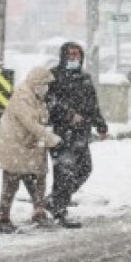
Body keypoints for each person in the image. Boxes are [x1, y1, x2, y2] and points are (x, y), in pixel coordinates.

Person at [0, 66, 62, 234]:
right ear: (36, 83)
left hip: (28, 148)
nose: (47, 88)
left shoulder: (36, 97)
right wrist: (51, 138)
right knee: (11, 184)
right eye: (45, 84)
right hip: (14, 148)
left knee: (37, 179)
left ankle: (39, 212)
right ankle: (2, 219)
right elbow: (30, 124)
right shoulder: (23, 97)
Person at [45, 42, 109, 228]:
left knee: (84, 169)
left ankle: (55, 200)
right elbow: (50, 102)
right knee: (64, 172)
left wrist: (100, 125)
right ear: (63, 55)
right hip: (61, 133)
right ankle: (59, 210)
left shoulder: (84, 78)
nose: (74, 58)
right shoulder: (54, 76)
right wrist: (68, 115)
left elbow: (92, 105)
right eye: (70, 54)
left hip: (81, 134)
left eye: (77, 54)